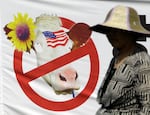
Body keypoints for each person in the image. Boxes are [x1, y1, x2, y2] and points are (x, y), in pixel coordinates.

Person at [90, 5, 150, 115]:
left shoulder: (141, 61)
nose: (111, 35)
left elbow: (148, 107)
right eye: (109, 31)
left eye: (117, 31)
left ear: (130, 33)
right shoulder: (117, 57)